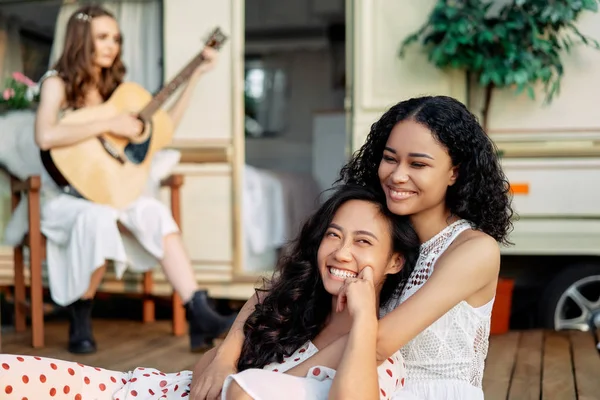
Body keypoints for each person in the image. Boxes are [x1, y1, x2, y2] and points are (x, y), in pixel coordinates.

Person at [190, 95, 513, 400]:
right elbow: (280, 289)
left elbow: (378, 342)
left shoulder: (473, 249)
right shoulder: (382, 228)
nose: (398, 175)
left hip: (422, 392)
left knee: (247, 389)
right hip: (356, 380)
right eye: (390, 159)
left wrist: (281, 380)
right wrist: (227, 355)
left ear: (454, 172)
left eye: (418, 164)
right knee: (211, 370)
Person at [0, 183, 421, 400]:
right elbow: (203, 378)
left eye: (363, 242)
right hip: (138, 389)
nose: (342, 252)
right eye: (334, 235)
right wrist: (227, 350)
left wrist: (365, 316)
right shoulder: (297, 308)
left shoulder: (378, 352)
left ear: (395, 261)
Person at [33, 4, 233, 354]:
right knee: (97, 217)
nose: (112, 45)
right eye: (102, 37)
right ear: (81, 40)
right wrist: (109, 123)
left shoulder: (120, 91)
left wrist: (196, 75)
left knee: (154, 212)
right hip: (68, 198)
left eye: (116, 39)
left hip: (110, 189)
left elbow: (164, 131)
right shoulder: (57, 83)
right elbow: (46, 136)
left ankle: (197, 311)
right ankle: (81, 315)